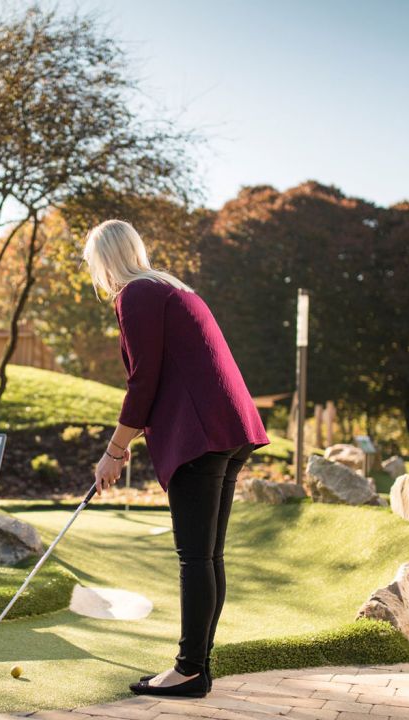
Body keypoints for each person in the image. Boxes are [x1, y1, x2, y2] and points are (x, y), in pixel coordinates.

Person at [82, 219, 270, 698]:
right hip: (227, 428)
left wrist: (113, 452)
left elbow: (143, 380)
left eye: (91, 264)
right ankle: (197, 668)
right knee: (208, 556)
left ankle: (188, 669)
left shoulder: (136, 295)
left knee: (195, 558)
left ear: (105, 260)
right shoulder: (170, 286)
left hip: (201, 433)